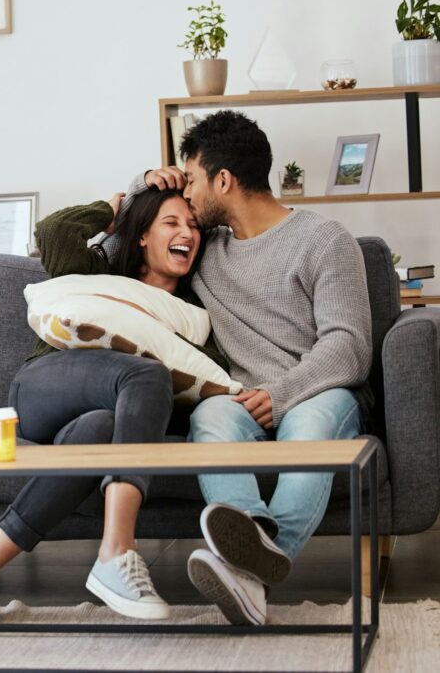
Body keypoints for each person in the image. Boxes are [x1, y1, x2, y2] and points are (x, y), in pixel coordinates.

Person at [0, 185, 229, 624]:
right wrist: (113, 208)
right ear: (142, 236)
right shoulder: (103, 272)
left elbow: (205, 381)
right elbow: (53, 232)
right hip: (46, 388)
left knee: (99, 428)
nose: (187, 233)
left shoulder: (192, 314)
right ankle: (117, 550)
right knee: (147, 371)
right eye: (171, 223)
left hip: (98, 421)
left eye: (193, 226)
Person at [139, 110, 372, 626]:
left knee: (311, 422)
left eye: (193, 179)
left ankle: (249, 568)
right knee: (211, 417)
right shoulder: (204, 252)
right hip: (244, 401)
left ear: (224, 180)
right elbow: (133, 239)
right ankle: (250, 553)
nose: (189, 195)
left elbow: (349, 346)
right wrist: (146, 184)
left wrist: (283, 395)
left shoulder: (326, 240)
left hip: (321, 393)